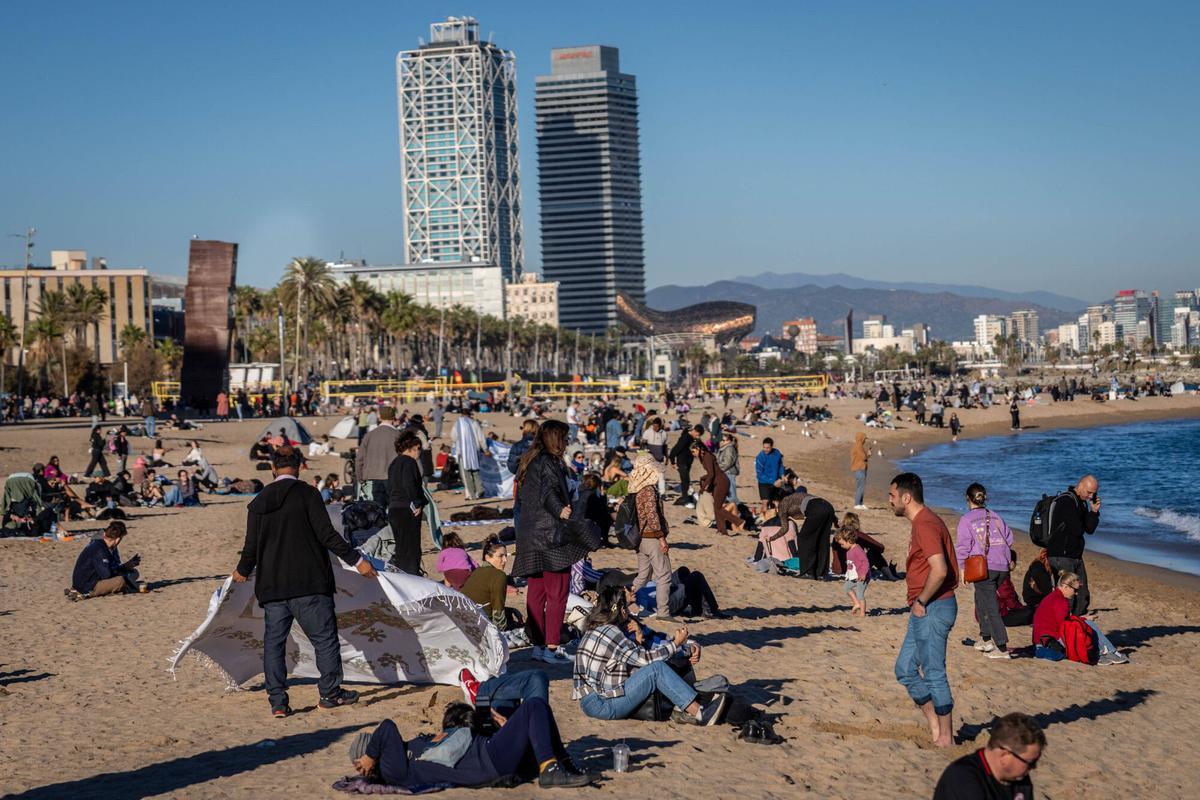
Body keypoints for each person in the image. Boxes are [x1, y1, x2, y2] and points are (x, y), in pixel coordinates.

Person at [231, 444, 378, 717]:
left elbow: (250, 546)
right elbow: (327, 535)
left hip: (273, 586)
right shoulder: (308, 494)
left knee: (274, 644)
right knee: (324, 640)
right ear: (299, 467)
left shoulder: (259, 502)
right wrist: (358, 561)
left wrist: (241, 571)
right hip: (309, 581)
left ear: (273, 469)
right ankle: (329, 694)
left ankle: (278, 702)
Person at [351, 697, 596, 789]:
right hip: (487, 760)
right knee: (533, 706)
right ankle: (550, 770)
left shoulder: (406, 753)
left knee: (535, 708)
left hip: (487, 751)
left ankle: (561, 763)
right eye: (375, 745)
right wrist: (370, 755)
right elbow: (387, 727)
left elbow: (456, 737)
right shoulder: (393, 769)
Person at [572, 585, 726, 725]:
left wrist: (639, 641)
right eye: (624, 605)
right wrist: (676, 644)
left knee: (656, 667)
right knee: (657, 669)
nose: (627, 609)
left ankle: (683, 707)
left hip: (589, 700)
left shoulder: (593, 630)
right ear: (620, 609)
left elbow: (621, 664)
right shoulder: (612, 632)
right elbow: (646, 660)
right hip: (604, 704)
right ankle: (699, 713)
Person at [511, 420, 592, 664]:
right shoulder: (548, 462)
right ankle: (552, 647)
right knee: (557, 592)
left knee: (536, 592)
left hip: (529, 536)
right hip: (550, 536)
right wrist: (561, 511)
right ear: (556, 439)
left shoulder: (529, 461)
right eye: (565, 438)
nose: (568, 442)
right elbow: (548, 493)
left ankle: (538, 646)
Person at [889, 472, 959, 748]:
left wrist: (921, 601)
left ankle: (946, 737)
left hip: (933, 607)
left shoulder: (926, 524)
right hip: (926, 608)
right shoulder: (922, 522)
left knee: (934, 672)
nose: (890, 500)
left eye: (892, 495)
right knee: (905, 669)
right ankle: (934, 722)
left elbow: (940, 571)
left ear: (907, 497)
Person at [955, 483, 1015, 659]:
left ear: (968, 499)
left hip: (984, 568)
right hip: (1002, 566)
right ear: (984, 498)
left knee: (990, 606)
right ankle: (985, 638)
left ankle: (1002, 648)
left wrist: (963, 568)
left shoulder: (966, 520)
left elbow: (963, 547)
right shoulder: (995, 516)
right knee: (980, 599)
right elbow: (1009, 539)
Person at [933, 712, 1044, 800]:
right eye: (1030, 762)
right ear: (1005, 755)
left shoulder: (1020, 778)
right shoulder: (963, 779)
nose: (1032, 768)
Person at [1032, 572, 1128, 665]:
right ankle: (1110, 651)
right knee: (1088, 624)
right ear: (1065, 586)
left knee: (1084, 622)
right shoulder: (1060, 601)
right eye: (1075, 590)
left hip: (1041, 640)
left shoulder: (1053, 597)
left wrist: (1082, 618)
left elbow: (1064, 621)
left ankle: (1102, 652)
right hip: (1050, 641)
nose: (1076, 593)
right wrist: (1083, 620)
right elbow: (1065, 625)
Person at [626, 453, 674, 619]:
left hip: (640, 539)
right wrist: (662, 538)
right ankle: (663, 612)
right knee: (664, 575)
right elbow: (652, 515)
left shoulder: (636, 488)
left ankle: (623, 599)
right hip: (652, 537)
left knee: (643, 576)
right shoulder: (648, 490)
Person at [1045, 475, 1100, 615]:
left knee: (1082, 594)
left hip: (1074, 554)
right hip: (1061, 555)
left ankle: (1075, 624)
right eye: (1089, 492)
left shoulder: (1080, 502)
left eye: (1094, 493)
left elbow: (1089, 529)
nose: (1091, 496)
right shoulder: (1066, 501)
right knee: (1068, 596)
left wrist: (1094, 512)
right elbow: (1077, 529)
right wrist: (1085, 518)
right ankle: (1062, 627)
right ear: (1080, 486)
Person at [386, 431, 427, 576]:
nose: (420, 454)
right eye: (419, 449)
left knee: (402, 549)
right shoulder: (409, 462)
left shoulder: (394, 463)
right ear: (415, 447)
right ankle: (412, 579)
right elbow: (409, 484)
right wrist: (417, 503)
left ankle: (403, 577)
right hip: (407, 510)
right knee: (411, 549)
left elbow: (390, 487)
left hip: (394, 509)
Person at [68, 521, 140, 600]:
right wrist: (124, 567)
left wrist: (127, 566)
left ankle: (123, 586)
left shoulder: (106, 545)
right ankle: (88, 594)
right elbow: (106, 575)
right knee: (120, 581)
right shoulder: (100, 549)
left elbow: (111, 567)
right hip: (87, 585)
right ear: (118, 539)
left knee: (134, 573)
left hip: (92, 579)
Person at [775, 488, 836, 580]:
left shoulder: (783, 503)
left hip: (817, 510)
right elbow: (822, 506)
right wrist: (835, 520)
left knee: (803, 539)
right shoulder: (798, 496)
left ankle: (808, 572)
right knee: (822, 541)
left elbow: (784, 528)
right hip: (828, 507)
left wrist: (772, 537)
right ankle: (821, 573)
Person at [461, 536, 513, 629]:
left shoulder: (477, 571)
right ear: (487, 557)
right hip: (481, 624)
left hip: (463, 619)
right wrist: (501, 633)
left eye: (506, 556)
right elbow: (498, 609)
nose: (505, 560)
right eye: (500, 556)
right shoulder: (499, 575)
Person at [690, 441, 740, 537]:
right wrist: (702, 478)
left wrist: (703, 488)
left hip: (722, 482)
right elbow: (711, 473)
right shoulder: (703, 457)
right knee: (717, 508)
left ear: (698, 449)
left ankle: (737, 521)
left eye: (693, 451)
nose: (693, 454)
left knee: (717, 508)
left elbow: (712, 474)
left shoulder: (707, 456)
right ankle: (722, 530)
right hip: (718, 482)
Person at [357, 406, 402, 507]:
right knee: (393, 509)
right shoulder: (398, 435)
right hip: (393, 478)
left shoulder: (369, 435)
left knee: (377, 512)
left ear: (380, 417)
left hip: (373, 477)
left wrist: (360, 479)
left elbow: (359, 459)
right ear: (394, 417)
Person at [453, 409, 487, 500]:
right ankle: (479, 491)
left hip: (462, 452)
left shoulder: (458, 424)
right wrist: (485, 449)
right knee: (475, 471)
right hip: (474, 451)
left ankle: (471, 494)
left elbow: (453, 436)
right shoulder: (474, 423)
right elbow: (481, 438)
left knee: (466, 474)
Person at [836, 528, 870, 616]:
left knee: (859, 593)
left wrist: (863, 574)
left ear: (850, 541)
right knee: (846, 588)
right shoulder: (849, 551)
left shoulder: (857, 550)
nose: (841, 546)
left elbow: (865, 562)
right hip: (854, 575)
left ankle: (862, 613)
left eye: (842, 544)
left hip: (862, 576)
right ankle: (857, 603)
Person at [667, 424, 700, 502]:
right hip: (681, 462)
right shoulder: (685, 438)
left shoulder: (692, 438)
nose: (698, 436)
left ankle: (685, 496)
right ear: (694, 431)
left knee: (686, 480)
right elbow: (675, 449)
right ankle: (685, 497)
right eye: (697, 434)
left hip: (688, 462)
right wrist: (672, 462)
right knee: (685, 480)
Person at [754, 437, 784, 502]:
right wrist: (773, 482)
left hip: (776, 482)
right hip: (764, 483)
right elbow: (759, 474)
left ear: (772, 446)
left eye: (767, 448)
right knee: (765, 503)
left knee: (777, 503)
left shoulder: (777, 453)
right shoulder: (760, 457)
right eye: (764, 447)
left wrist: (782, 475)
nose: (765, 449)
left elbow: (780, 465)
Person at [715, 431, 739, 504]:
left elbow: (728, 463)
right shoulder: (725, 448)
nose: (723, 442)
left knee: (731, 495)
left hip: (729, 473)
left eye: (725, 440)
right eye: (722, 440)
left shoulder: (729, 448)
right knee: (726, 494)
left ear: (730, 440)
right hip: (725, 473)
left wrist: (718, 469)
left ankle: (738, 511)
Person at [850, 431, 870, 510]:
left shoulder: (858, 446)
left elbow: (863, 458)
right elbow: (863, 457)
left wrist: (867, 455)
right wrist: (867, 454)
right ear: (861, 438)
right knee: (860, 487)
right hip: (859, 469)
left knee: (861, 486)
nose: (865, 440)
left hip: (860, 468)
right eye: (864, 439)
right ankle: (857, 504)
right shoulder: (858, 446)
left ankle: (860, 503)